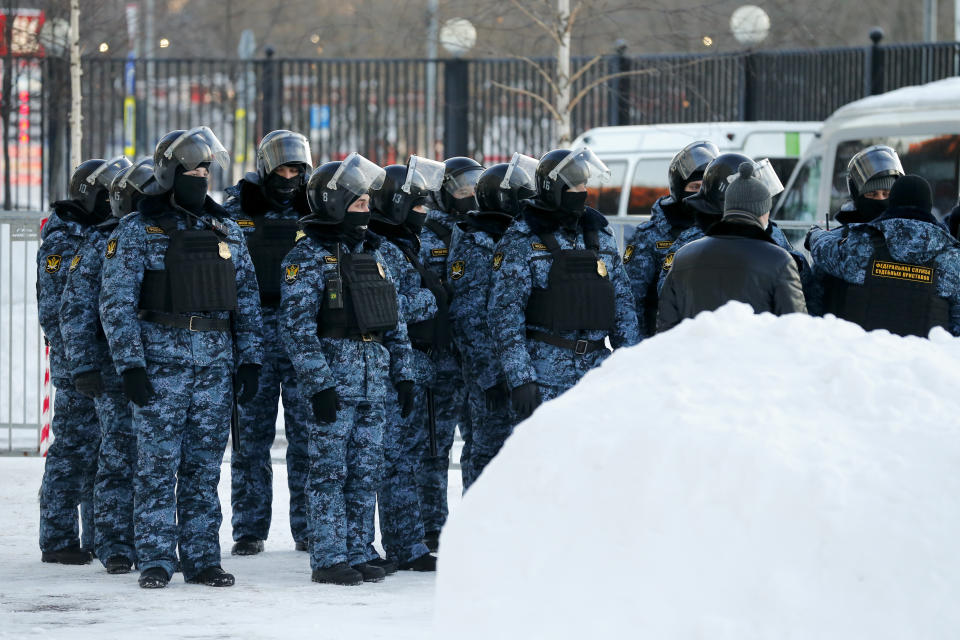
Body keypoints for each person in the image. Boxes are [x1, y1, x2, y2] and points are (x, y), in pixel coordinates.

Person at [99, 127, 264, 589]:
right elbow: (116, 302)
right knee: (156, 466)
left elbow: (246, 298)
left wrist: (249, 360)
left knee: (203, 468)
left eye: (207, 169)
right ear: (170, 173)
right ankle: (155, 557)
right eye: (193, 169)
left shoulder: (225, 227)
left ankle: (201, 557)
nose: (202, 176)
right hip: (160, 365)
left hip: (214, 365)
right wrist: (130, 366)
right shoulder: (137, 230)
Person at [279, 153, 417, 585]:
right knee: (328, 471)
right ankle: (329, 556)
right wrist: (318, 384)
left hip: (375, 382)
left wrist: (404, 373)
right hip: (334, 383)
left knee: (365, 470)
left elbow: (395, 322)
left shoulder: (379, 254)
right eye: (358, 205)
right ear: (333, 205)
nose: (367, 212)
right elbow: (296, 328)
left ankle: (358, 549)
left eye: (367, 205)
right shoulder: (305, 258)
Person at [488, 147, 640, 421]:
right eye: (576, 185)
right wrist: (521, 377)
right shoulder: (521, 240)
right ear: (555, 188)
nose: (583, 190)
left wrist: (628, 367)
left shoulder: (600, 235)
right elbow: (505, 315)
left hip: (597, 374)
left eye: (585, 184)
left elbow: (623, 307)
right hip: (545, 376)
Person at [59, 158, 159, 574]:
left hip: (159, 365)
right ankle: (115, 542)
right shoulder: (104, 243)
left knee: (153, 459)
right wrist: (82, 366)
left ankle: (149, 537)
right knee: (118, 456)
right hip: (112, 367)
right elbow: (74, 309)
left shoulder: (162, 237)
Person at [222, 130, 313, 556]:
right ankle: (249, 528)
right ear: (265, 167)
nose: (289, 177)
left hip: (301, 332)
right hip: (253, 329)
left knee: (307, 436)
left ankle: (310, 526)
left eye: (296, 169)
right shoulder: (238, 207)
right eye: (282, 168)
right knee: (250, 438)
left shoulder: (313, 207)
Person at [36, 156, 130, 565]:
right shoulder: (62, 241)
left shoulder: (100, 234)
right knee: (73, 449)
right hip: (78, 365)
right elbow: (56, 311)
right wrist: (78, 363)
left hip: (101, 362)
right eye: (107, 195)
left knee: (103, 449)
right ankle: (57, 538)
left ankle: (97, 535)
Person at [367, 156, 448, 571]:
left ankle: (409, 544)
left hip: (416, 363)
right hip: (394, 364)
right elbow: (392, 305)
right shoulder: (382, 247)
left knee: (408, 459)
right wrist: (434, 298)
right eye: (416, 205)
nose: (424, 212)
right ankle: (403, 546)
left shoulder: (404, 243)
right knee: (394, 461)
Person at [448, 153, 536, 488]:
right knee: (487, 455)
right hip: (491, 377)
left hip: (519, 368)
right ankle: (477, 532)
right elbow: (468, 319)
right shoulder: (475, 244)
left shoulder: (517, 238)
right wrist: (490, 379)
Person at [417, 156, 484, 550]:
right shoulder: (428, 236)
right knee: (434, 447)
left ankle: (478, 522)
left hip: (475, 358)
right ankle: (432, 527)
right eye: (461, 187)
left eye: (475, 185)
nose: (470, 194)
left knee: (480, 444)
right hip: (440, 358)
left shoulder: (483, 233)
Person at [658, 161, 808, 331]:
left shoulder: (683, 256)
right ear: (763, 210)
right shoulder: (780, 260)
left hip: (696, 355)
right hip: (754, 355)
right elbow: (796, 329)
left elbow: (666, 327)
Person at [807, 174, 960, 336]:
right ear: (928, 206)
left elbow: (824, 251)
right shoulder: (951, 256)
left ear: (891, 202)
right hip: (922, 357)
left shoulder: (863, 243)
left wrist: (815, 234)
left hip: (866, 354)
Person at [623, 141, 718, 337]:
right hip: (664, 339)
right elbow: (631, 299)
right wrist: (636, 349)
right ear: (679, 188)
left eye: (706, 187)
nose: (701, 193)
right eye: (695, 186)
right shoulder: (649, 235)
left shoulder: (722, 226)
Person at [809, 145, 905, 316]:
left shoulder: (913, 238)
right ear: (858, 196)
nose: (881, 200)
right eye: (873, 194)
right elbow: (816, 299)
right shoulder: (838, 241)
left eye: (886, 193)